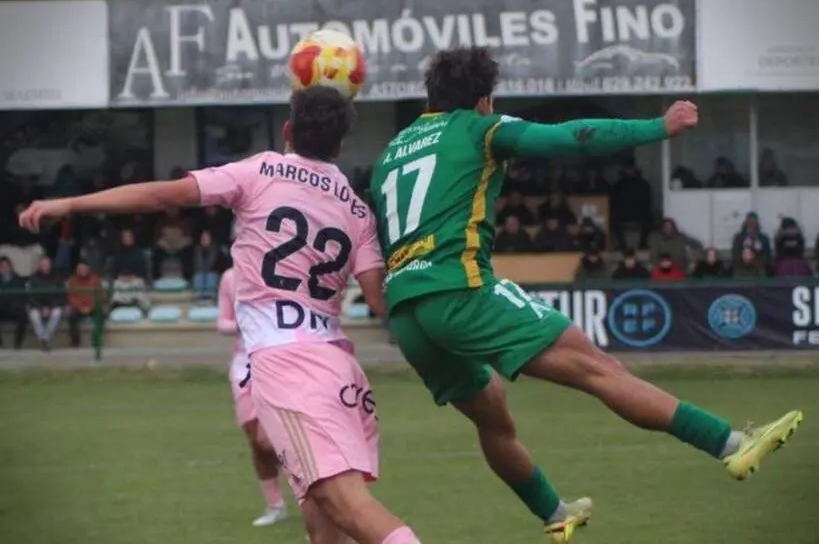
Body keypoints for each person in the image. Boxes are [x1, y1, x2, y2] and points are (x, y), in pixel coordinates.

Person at [368, 46, 802, 544]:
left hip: (406, 314)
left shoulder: (390, 153)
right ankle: (729, 443)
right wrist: (658, 127)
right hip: (460, 290)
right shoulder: (480, 128)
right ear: (483, 99)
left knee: (494, 416)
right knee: (602, 371)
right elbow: (572, 137)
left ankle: (555, 512)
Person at [19, 86, 423, 544]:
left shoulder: (258, 171)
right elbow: (379, 301)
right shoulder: (357, 209)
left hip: (288, 363)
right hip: (340, 366)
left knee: (348, 507)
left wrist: (70, 204)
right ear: (340, 145)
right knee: (323, 521)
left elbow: (158, 197)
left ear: (288, 130)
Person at [217, 267, 288, 527]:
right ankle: (275, 505)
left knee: (269, 441)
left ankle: (313, 493)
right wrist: (239, 324)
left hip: (279, 364)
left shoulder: (280, 269)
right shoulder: (230, 277)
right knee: (257, 442)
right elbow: (221, 321)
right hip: (243, 367)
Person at [26, 256, 66, 351]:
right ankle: (43, 339)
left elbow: (61, 296)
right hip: (37, 306)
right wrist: (41, 308)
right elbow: (31, 297)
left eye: (47, 264)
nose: (45, 266)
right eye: (43, 264)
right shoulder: (33, 278)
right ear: (39, 265)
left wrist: (50, 307)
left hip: (53, 306)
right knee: (33, 315)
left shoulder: (58, 277)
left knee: (57, 312)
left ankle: (45, 338)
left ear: (50, 265)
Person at [67, 260, 103, 347]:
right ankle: (75, 343)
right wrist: (80, 307)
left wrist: (90, 307)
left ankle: (96, 341)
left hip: (92, 307)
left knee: (101, 315)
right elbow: (71, 296)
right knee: (72, 317)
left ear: (88, 269)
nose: (82, 270)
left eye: (84, 268)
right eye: (80, 268)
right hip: (78, 308)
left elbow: (100, 295)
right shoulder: (72, 280)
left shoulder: (95, 279)